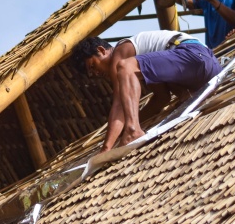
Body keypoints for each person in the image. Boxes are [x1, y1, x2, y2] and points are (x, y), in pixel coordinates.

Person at [71, 31, 222, 152]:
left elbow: (119, 104)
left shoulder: (122, 49)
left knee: (125, 67)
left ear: (101, 50)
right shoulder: (147, 61)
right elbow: (161, 99)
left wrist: (106, 148)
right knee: (134, 72)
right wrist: (120, 130)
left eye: (92, 66)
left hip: (193, 55)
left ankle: (133, 130)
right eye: (91, 74)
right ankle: (131, 128)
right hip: (208, 70)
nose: (96, 73)